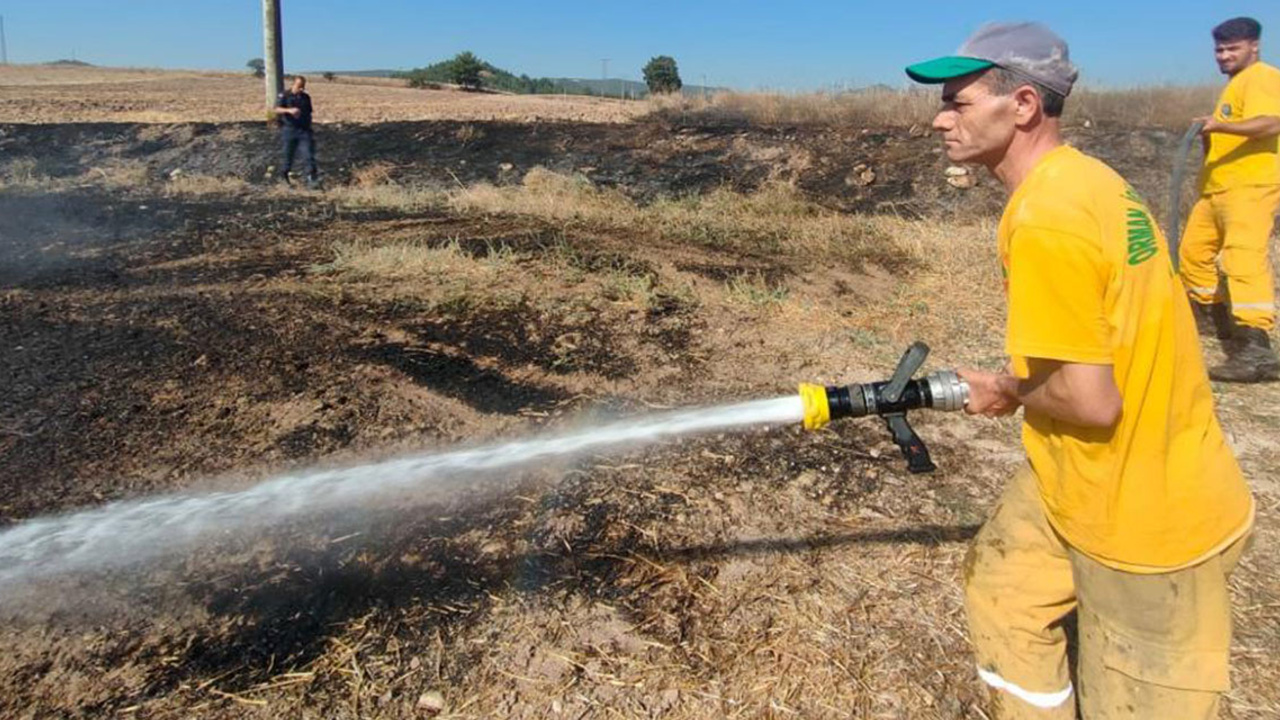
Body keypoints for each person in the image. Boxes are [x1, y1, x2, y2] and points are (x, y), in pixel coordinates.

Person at [905, 22, 1254, 719]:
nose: (940, 120)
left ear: (1025, 105)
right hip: (1077, 479)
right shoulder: (1090, 180)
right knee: (1005, 592)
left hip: (1148, 521)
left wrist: (1001, 388)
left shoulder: (1048, 219)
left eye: (959, 103)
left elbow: (1092, 403)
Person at [1179, 17, 1280, 382]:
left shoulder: (1263, 78)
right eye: (1219, 50)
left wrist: (1218, 126)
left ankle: (1257, 348)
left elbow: (1272, 122)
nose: (1223, 56)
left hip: (1250, 186)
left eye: (1231, 49)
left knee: (1242, 257)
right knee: (1193, 253)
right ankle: (1214, 319)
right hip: (1217, 188)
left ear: (1254, 46)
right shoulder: (1235, 86)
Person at [273, 75, 320, 189]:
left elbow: (309, 111)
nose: (301, 89)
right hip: (289, 130)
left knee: (308, 154)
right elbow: (276, 108)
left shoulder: (306, 97)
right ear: (293, 84)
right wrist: (289, 110)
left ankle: (311, 179)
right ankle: (284, 178)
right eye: (299, 86)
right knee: (288, 155)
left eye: (303, 86)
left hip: (304, 130)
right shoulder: (284, 95)